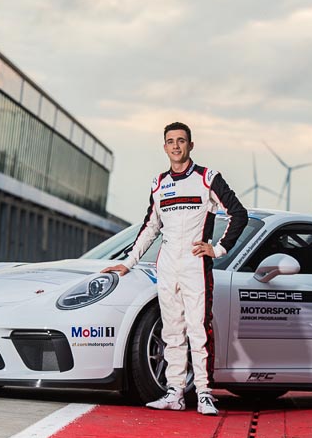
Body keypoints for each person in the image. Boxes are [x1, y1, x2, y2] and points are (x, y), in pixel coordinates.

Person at [102, 122, 247, 416]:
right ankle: (175, 393)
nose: (176, 146)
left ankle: (204, 393)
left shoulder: (208, 178)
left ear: (190, 145)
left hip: (195, 264)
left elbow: (238, 214)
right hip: (166, 266)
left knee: (198, 329)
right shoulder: (158, 184)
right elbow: (150, 227)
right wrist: (129, 262)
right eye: (171, 141)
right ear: (164, 147)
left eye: (181, 141)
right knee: (172, 331)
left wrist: (218, 249)